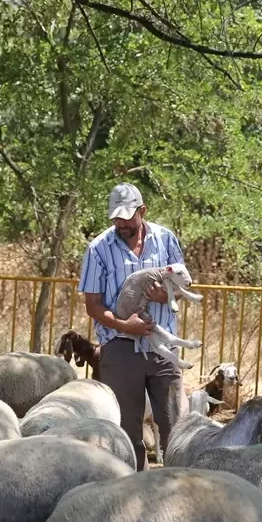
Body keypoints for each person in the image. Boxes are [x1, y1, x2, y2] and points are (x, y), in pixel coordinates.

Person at [78, 183, 188, 469]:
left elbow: (183, 285)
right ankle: (134, 488)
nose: (121, 224)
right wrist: (125, 325)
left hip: (163, 348)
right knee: (126, 432)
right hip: (120, 349)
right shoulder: (98, 249)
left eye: (127, 217)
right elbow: (93, 305)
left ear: (143, 211)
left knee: (176, 427)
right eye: (116, 218)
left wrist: (164, 295)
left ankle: (177, 486)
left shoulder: (166, 239)